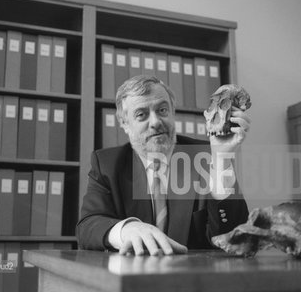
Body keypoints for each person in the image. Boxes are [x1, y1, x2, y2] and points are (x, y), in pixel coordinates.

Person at [76, 75, 250, 256]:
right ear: (124, 123)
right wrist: (126, 229)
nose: (156, 122)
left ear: (173, 112)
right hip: (131, 277)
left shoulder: (207, 156)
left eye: (162, 110)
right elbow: (87, 227)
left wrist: (222, 158)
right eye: (141, 115)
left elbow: (238, 239)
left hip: (194, 277)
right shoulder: (107, 164)